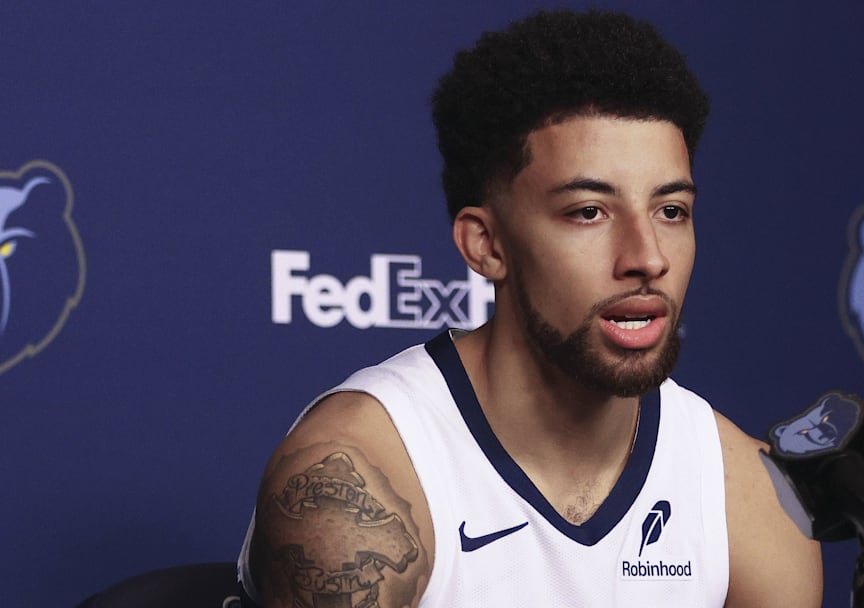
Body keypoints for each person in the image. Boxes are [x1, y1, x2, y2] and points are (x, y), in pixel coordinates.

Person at [238, 9, 822, 607]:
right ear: (487, 246)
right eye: (588, 212)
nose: (647, 257)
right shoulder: (356, 483)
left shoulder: (750, 495)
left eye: (670, 210)